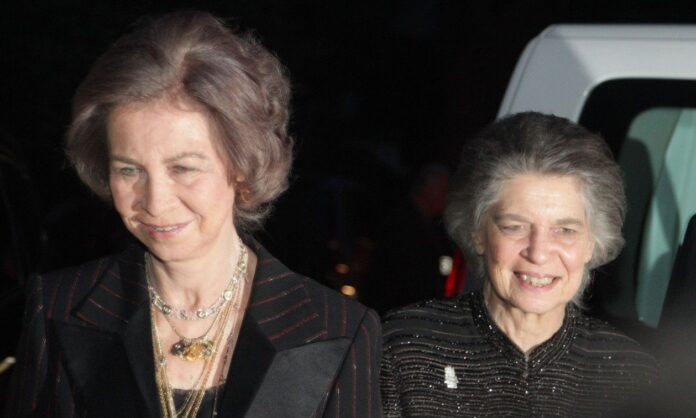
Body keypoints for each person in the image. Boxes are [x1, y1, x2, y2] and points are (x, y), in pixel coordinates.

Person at [6, 11, 381, 418]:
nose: (155, 202)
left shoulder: (339, 329)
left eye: (183, 168)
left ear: (241, 166)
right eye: (129, 170)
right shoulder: (56, 307)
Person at [381, 112, 659, 417]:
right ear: (477, 234)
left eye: (565, 230)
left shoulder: (634, 376)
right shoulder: (401, 351)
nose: (538, 253)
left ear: (592, 244)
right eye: (515, 227)